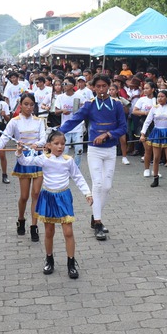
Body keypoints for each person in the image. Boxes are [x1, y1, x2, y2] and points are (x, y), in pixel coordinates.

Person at [59, 75, 128, 241]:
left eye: (105, 86)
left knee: (107, 186)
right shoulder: (89, 104)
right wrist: (58, 133)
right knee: (97, 184)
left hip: (110, 149)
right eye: (99, 86)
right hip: (94, 150)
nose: (102, 89)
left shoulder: (117, 105)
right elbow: (74, 120)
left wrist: (108, 134)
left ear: (110, 87)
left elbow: (123, 127)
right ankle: (98, 223)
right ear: (94, 88)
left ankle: (95, 214)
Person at [15, 131, 93, 279]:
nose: (60, 146)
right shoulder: (43, 159)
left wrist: (87, 193)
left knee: (68, 232)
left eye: (62, 143)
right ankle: (49, 259)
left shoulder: (68, 160)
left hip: (63, 197)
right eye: (56, 144)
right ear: (48, 145)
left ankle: (71, 263)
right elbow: (25, 162)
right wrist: (19, 153)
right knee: (49, 231)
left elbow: (78, 177)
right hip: (48, 197)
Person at [0, 93, 46, 241]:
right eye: (26, 104)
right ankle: (21, 219)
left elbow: (44, 138)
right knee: (24, 196)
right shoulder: (14, 122)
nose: (29, 107)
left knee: (36, 194)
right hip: (23, 159)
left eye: (31, 104)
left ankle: (34, 226)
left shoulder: (39, 121)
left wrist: (38, 144)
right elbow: (4, 138)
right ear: (20, 104)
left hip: (38, 159)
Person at [140, 89, 167, 188]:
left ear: (166, 98)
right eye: (158, 97)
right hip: (157, 132)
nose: (160, 98)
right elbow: (147, 121)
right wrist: (142, 134)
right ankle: (155, 178)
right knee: (156, 158)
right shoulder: (154, 108)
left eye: (162, 96)